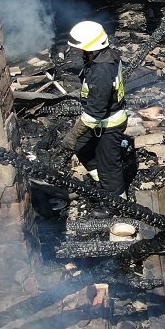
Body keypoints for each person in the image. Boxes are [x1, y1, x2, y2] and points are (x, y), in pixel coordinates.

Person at [59, 20, 135, 209]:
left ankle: (117, 205)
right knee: (83, 148)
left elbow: (94, 113)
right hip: (102, 123)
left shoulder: (101, 71)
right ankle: (100, 181)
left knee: (110, 167)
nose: (78, 52)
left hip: (109, 125)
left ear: (91, 47)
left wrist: (73, 135)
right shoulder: (104, 56)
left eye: (81, 48)